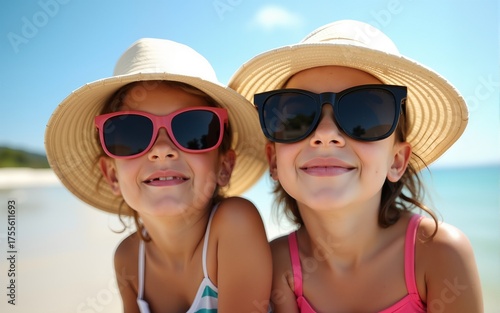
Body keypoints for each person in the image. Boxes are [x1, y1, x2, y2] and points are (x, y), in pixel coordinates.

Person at [229, 20, 483, 313]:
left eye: (362, 115)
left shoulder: (439, 254)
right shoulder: (275, 266)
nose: (326, 134)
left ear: (397, 161)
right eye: (296, 116)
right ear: (274, 160)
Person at [45, 38, 272, 312]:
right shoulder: (128, 259)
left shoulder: (234, 224)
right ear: (112, 176)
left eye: (192, 130)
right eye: (132, 133)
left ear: (224, 167)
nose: (162, 150)